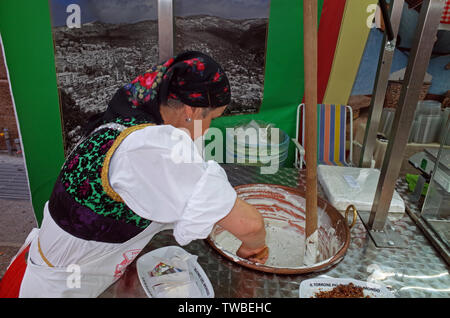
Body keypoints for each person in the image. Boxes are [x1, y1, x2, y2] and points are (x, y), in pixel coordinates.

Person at [0, 51, 268, 298]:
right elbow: (250, 225)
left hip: (55, 266)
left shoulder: (124, 124)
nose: (210, 129)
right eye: (214, 119)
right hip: (56, 288)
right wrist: (251, 247)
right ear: (192, 110)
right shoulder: (148, 150)